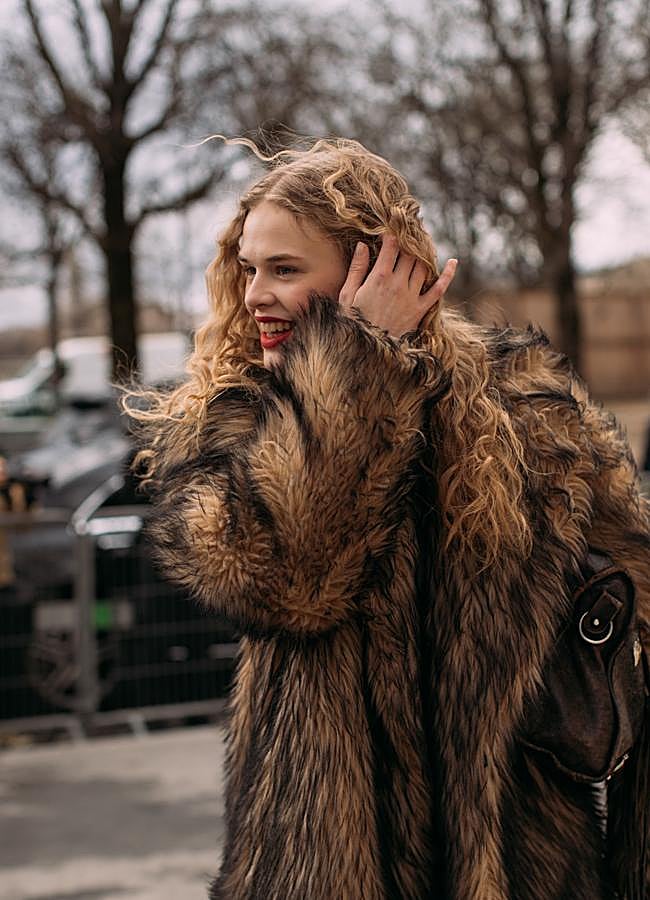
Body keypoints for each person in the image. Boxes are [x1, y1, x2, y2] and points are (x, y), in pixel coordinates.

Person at [126, 138, 649, 900]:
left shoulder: (525, 416)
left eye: (284, 269)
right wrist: (356, 364)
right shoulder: (239, 417)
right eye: (248, 269)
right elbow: (288, 579)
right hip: (329, 864)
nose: (254, 297)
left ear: (374, 268)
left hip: (518, 859)